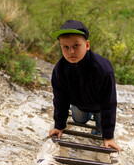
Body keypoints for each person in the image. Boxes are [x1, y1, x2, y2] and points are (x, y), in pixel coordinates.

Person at [48, 20, 122, 153]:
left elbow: (109, 103)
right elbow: (60, 99)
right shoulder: (60, 70)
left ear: (87, 45)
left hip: (99, 105)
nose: (71, 51)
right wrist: (59, 126)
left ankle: (98, 124)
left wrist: (109, 136)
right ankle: (85, 115)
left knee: (100, 129)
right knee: (79, 119)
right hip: (78, 103)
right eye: (65, 47)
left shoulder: (103, 69)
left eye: (76, 45)